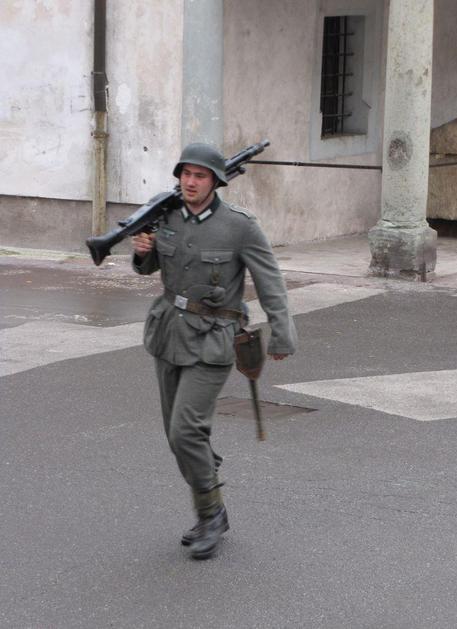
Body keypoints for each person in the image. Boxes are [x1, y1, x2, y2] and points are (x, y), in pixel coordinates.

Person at [131, 143, 296, 560]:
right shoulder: (166, 216)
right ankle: (205, 475)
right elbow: (150, 267)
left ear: (216, 181)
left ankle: (211, 516)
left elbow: (271, 281)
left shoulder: (240, 226)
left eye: (200, 175)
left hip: (213, 338)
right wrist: (142, 252)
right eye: (185, 174)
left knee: (185, 431)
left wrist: (282, 334)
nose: (190, 182)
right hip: (167, 333)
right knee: (179, 437)